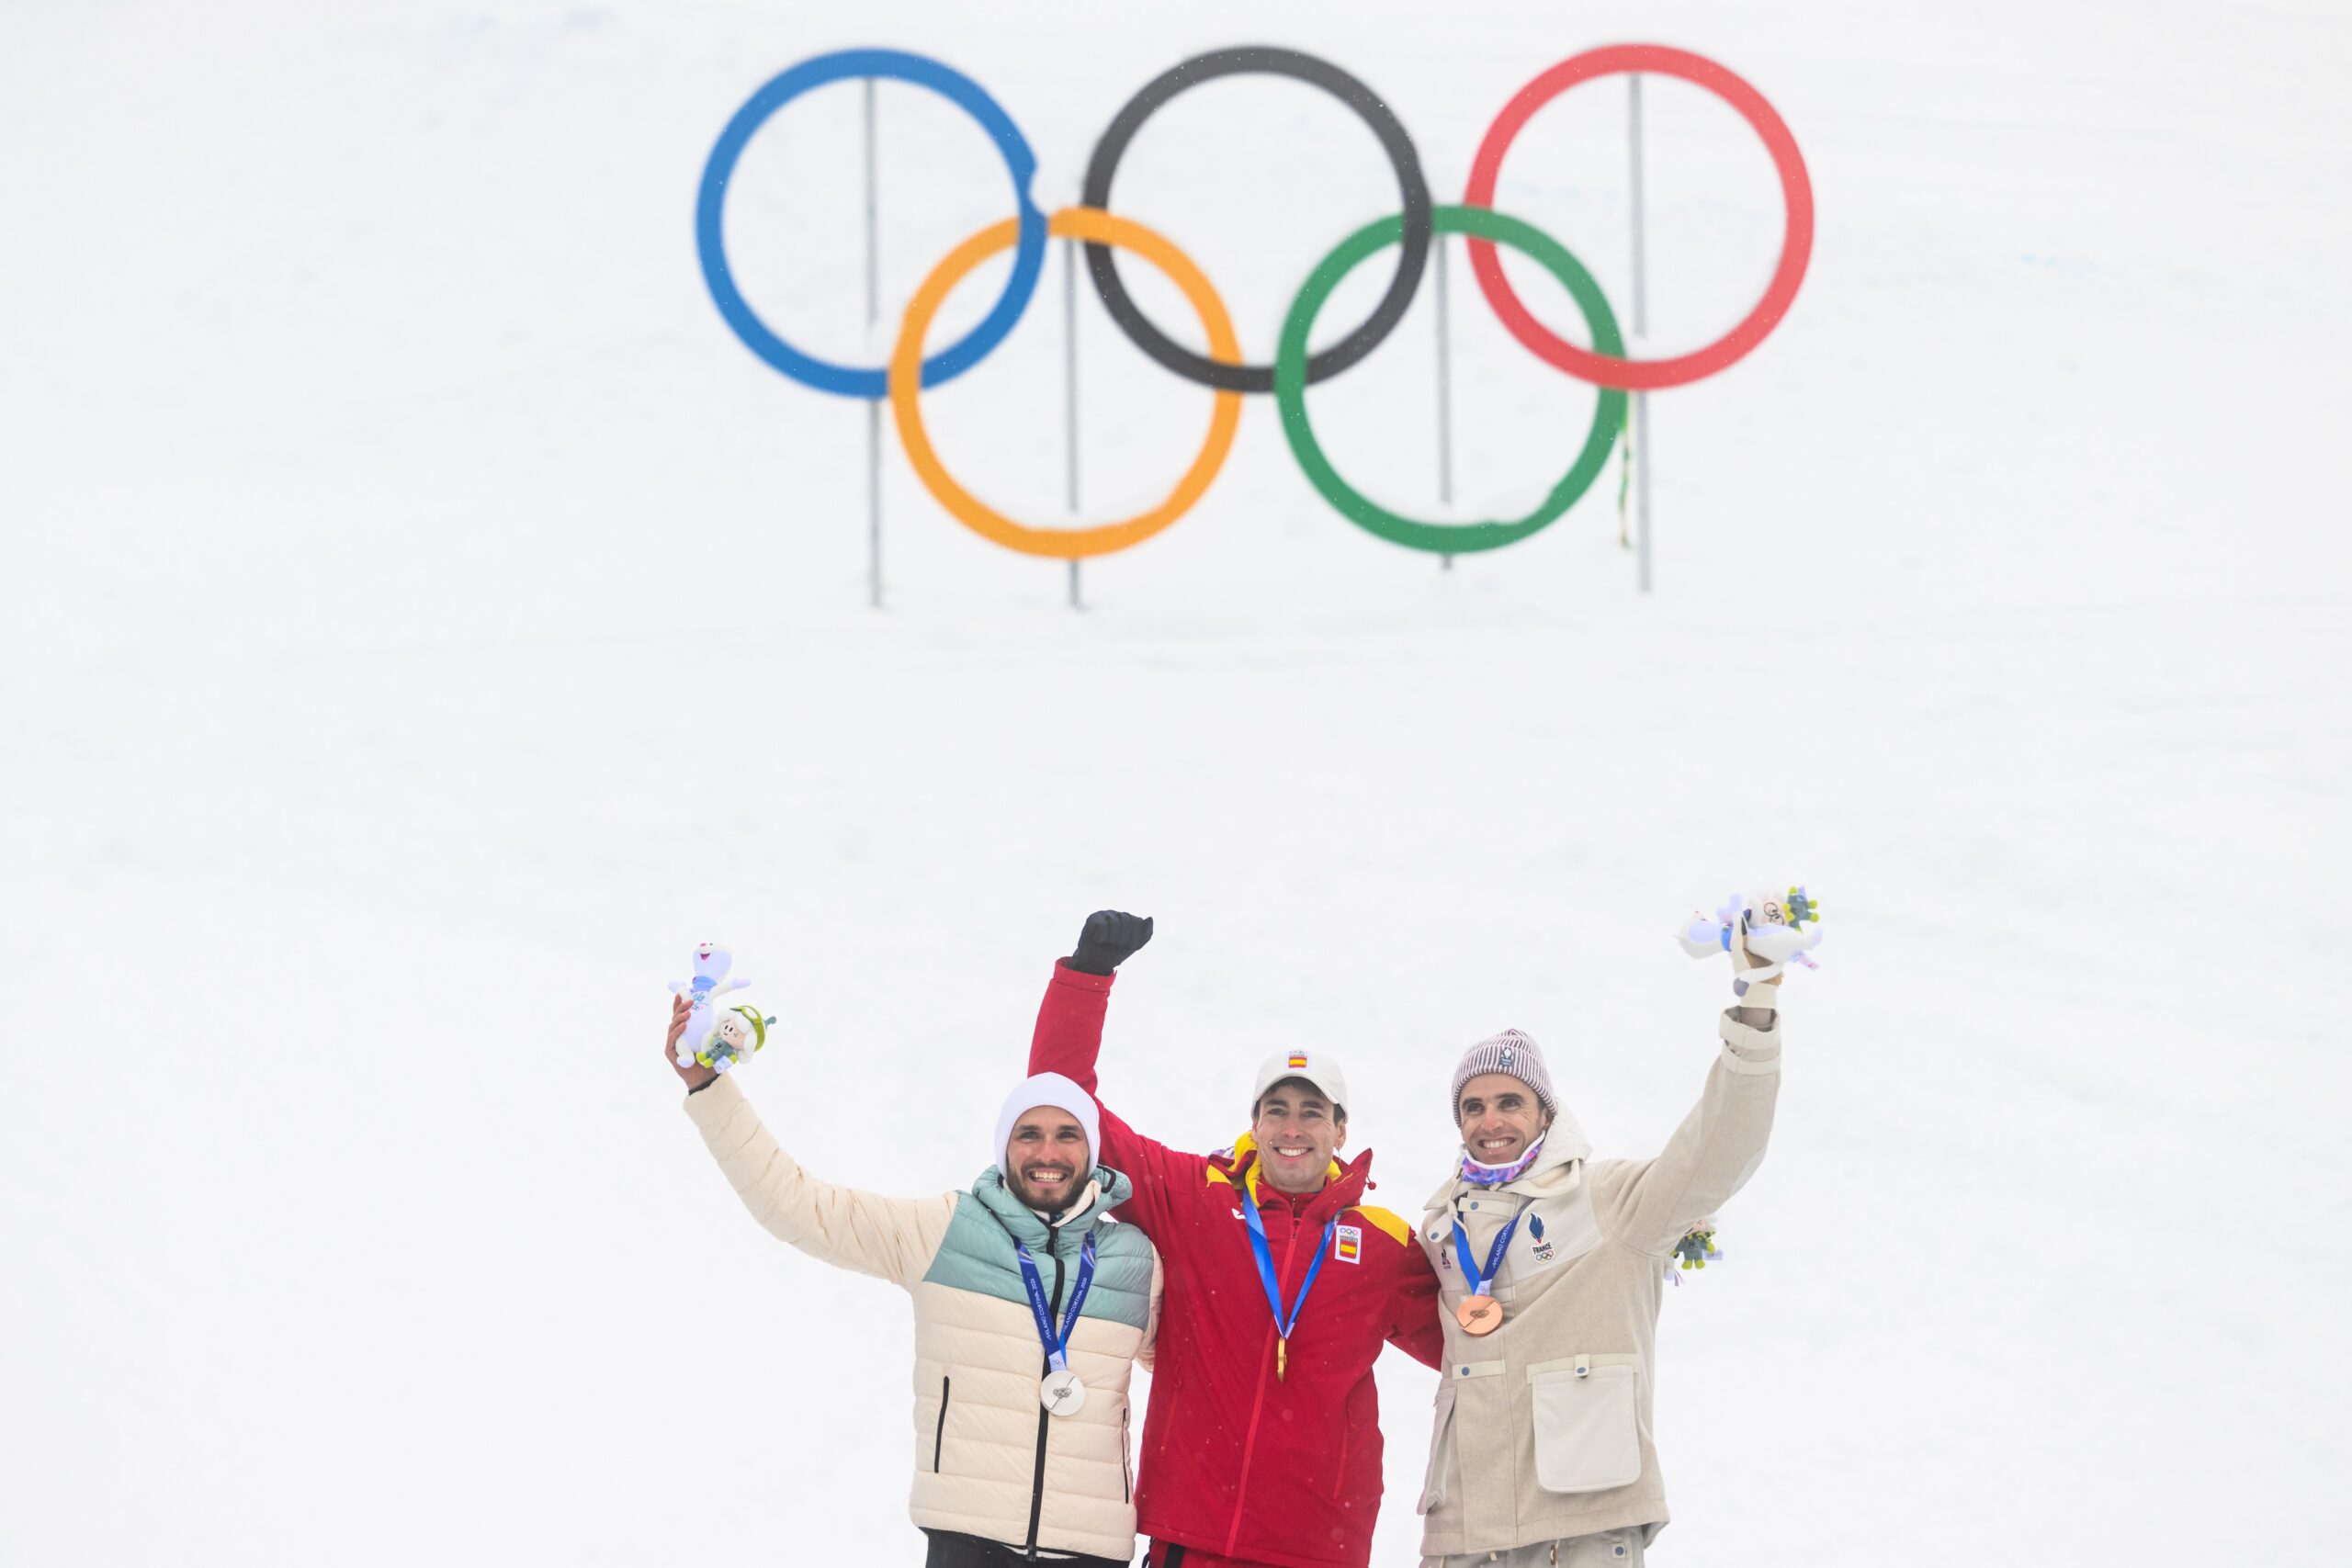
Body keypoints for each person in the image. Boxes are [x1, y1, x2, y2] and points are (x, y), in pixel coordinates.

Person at [665, 989, 1162, 1568]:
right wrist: (708, 1089)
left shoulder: (1136, 1263)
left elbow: (1204, 1376)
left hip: (1092, 1552)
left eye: (1066, 1134)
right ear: (1004, 1149)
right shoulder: (945, 1231)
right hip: (969, 1542)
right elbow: (798, 1206)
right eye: (1029, 1134)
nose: (1046, 1151)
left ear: (1092, 1151)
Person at [1027, 911, 1444, 1568]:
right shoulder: (1194, 1196)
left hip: (1317, 1546)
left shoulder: (1382, 1246)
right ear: (1253, 1121)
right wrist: (1085, 979)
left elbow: (1477, 1348)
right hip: (1189, 1537)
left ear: (1341, 1128)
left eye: (1313, 1111)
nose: (1293, 1126)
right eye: (1277, 1108)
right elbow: (1062, 1108)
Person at [1410, 920, 1789, 1568]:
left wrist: (1756, 1005)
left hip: (1579, 1534)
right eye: (1472, 1107)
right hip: (1466, 1541)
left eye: (1510, 1100)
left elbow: (1721, 1145)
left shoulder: (1608, 1201)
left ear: (1546, 1115)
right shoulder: (1440, 1231)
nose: (1490, 1120)